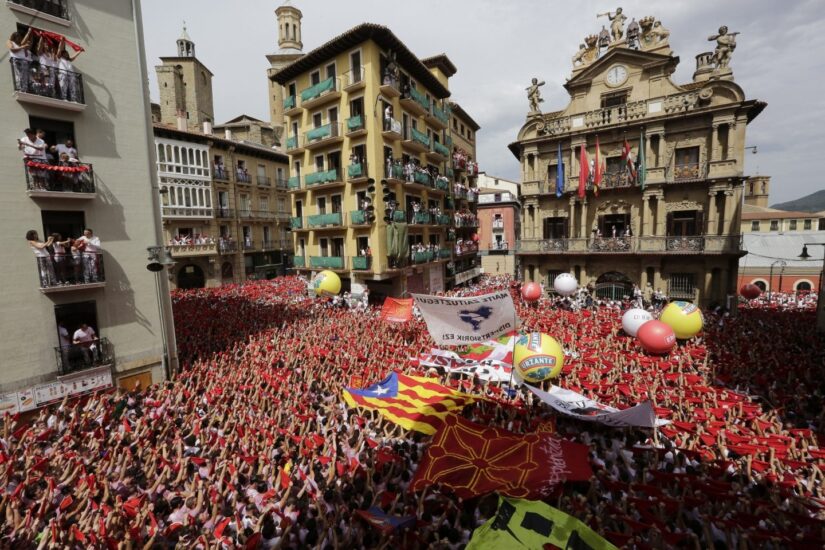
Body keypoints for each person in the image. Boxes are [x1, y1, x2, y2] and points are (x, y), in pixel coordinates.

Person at [57, 37, 83, 102]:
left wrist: (79, 51)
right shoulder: (60, 58)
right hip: (63, 73)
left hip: (71, 74)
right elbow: (59, 49)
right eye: (65, 53)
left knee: (73, 86)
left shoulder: (69, 60)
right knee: (63, 86)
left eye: (67, 53)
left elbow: (73, 57)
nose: (66, 54)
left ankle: (74, 99)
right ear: (62, 54)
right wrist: (62, 41)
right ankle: (64, 98)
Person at [7, 28, 33, 93]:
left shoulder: (20, 44)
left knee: (24, 76)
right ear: (15, 37)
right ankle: (19, 88)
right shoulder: (10, 42)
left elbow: (26, 54)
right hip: (16, 60)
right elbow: (12, 49)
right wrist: (22, 47)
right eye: (18, 37)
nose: (19, 39)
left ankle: (25, 89)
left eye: (20, 37)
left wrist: (29, 32)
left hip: (24, 61)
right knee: (18, 75)